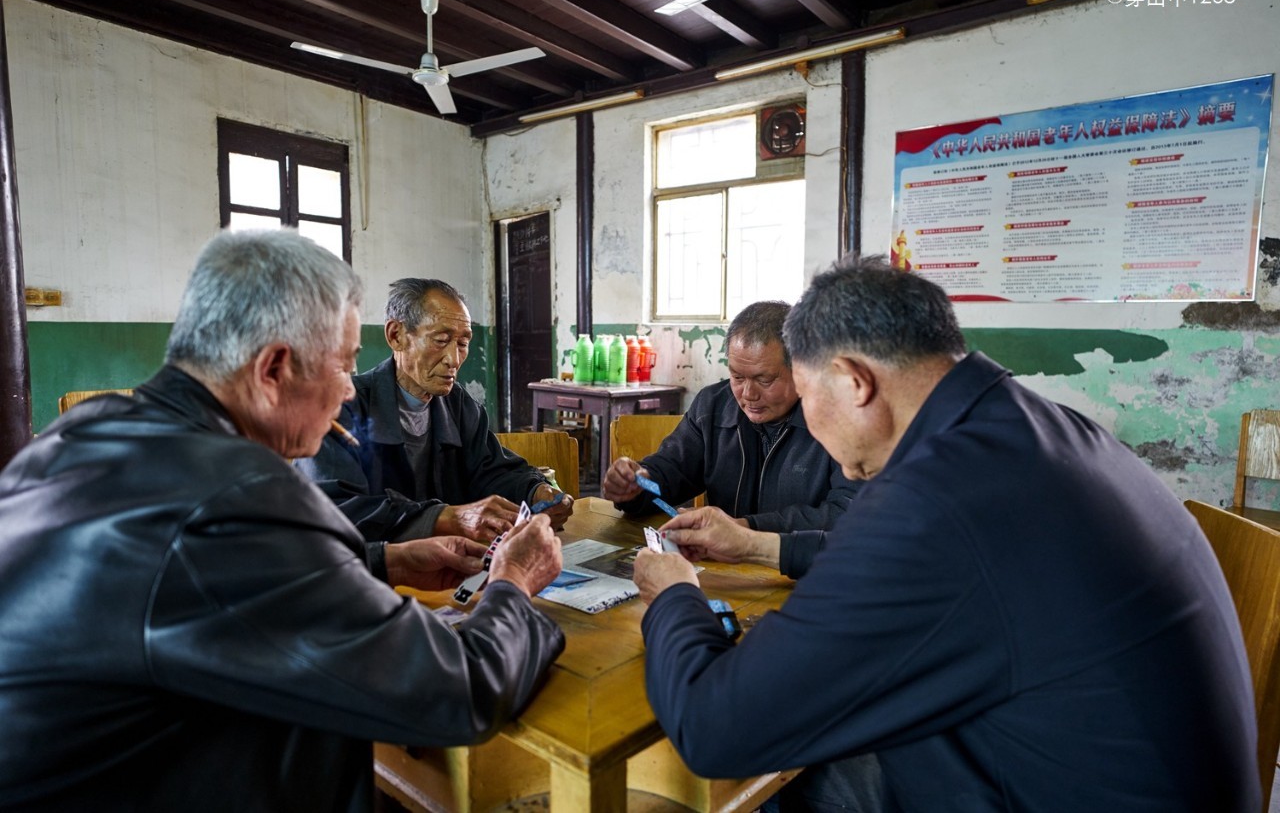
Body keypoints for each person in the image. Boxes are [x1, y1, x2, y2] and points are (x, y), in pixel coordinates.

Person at [633, 257, 1258, 812]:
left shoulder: (934, 500)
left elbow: (713, 728)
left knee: (762, 775)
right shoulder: (1038, 428)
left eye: (803, 393)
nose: (810, 424)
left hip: (1044, 785)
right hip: (1095, 762)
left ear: (854, 381)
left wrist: (675, 596)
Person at [0, 230, 566, 811]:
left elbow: (205, 590)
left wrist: (384, 560)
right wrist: (514, 579)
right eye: (344, 366)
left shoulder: (82, 433)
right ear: (273, 368)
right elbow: (461, 692)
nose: (351, 388)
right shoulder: (240, 493)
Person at [296, 278, 574, 559]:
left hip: (448, 569)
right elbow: (337, 510)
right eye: (441, 341)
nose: (454, 359)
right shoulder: (341, 409)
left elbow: (492, 470)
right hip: (373, 574)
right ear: (396, 336)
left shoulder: (460, 406)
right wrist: (441, 517)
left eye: (463, 343)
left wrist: (536, 490)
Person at [602, 301, 859, 551]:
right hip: (725, 570)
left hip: (804, 576)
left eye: (764, 379)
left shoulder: (839, 419)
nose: (748, 394)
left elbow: (847, 514)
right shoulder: (713, 407)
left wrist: (745, 529)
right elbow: (671, 473)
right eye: (737, 376)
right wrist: (640, 484)